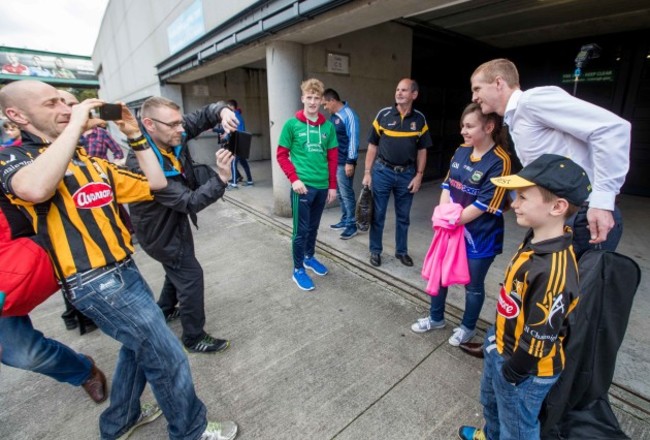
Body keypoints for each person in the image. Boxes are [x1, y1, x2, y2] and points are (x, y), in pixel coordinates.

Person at [0, 80, 238, 440]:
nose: (66, 109)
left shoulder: (90, 162)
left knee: (136, 348)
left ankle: (121, 419)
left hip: (124, 270)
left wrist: (134, 134)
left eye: (71, 103)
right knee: (167, 357)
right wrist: (77, 121)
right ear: (16, 115)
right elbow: (34, 189)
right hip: (93, 281)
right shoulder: (17, 159)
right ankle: (192, 430)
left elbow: (155, 181)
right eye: (53, 104)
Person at [457, 154, 591, 440]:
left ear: (558, 207)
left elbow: (540, 336)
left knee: (517, 427)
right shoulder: (537, 236)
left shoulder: (554, 271)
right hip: (503, 347)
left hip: (524, 371)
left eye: (523, 197)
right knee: (492, 406)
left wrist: (512, 373)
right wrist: (495, 338)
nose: (513, 203)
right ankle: (489, 435)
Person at [470, 58, 630, 257]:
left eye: (477, 89)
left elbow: (612, 129)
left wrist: (602, 202)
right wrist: (516, 198)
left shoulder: (532, 101)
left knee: (575, 287)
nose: (474, 97)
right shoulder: (517, 116)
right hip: (557, 215)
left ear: (498, 83)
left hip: (582, 216)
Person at [126, 96, 238, 354]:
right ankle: (193, 336)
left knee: (176, 269)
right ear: (149, 125)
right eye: (174, 125)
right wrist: (221, 178)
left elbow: (203, 115)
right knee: (190, 275)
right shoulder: (142, 164)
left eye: (180, 123)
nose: (182, 129)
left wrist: (221, 112)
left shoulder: (171, 132)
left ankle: (164, 310)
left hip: (172, 223)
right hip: (160, 232)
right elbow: (190, 202)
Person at [411, 103, 511, 346]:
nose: (463, 131)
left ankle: (468, 327)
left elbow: (485, 204)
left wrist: (451, 220)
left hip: (480, 235)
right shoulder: (461, 151)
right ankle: (436, 319)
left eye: (469, 126)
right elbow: (448, 186)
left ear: (488, 127)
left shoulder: (500, 160)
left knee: (473, 285)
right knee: (441, 275)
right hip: (451, 229)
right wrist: (445, 217)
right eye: (462, 126)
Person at [362, 78, 432, 267]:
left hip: (407, 175)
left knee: (403, 217)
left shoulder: (419, 119)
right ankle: (375, 251)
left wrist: (419, 175)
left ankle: (401, 252)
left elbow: (422, 149)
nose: (399, 93)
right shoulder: (383, 115)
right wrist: (367, 172)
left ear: (414, 95)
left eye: (404, 90)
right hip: (382, 172)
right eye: (397, 89)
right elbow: (372, 145)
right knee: (378, 214)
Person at [276, 78, 338, 291]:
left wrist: (332, 185)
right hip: (302, 187)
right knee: (300, 230)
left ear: (322, 101)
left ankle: (309, 257)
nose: (312, 101)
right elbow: (282, 155)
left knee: (313, 227)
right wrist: (294, 179)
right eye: (309, 97)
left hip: (321, 187)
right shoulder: (291, 125)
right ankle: (297, 269)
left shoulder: (328, 127)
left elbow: (332, 158)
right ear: (303, 98)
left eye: (316, 98)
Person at [322, 88, 360, 240]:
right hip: (334, 162)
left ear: (332, 101)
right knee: (340, 194)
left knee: (346, 194)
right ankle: (345, 220)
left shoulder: (348, 115)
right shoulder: (333, 117)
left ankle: (352, 225)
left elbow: (353, 139)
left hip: (344, 163)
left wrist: (350, 162)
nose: (324, 107)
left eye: (325, 104)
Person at [224, 99, 253, 188]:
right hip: (240, 143)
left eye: (228, 107)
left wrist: (228, 137)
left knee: (233, 162)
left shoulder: (235, 116)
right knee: (243, 162)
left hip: (237, 143)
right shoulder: (238, 115)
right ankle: (250, 181)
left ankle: (234, 183)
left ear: (232, 107)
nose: (227, 109)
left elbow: (237, 132)